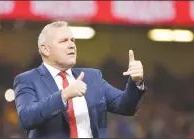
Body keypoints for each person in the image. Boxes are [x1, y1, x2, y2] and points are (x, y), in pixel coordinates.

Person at [13, 21, 147, 138]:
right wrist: (63, 95)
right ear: (45, 49)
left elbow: (126, 107)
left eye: (73, 40)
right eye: (64, 41)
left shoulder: (93, 77)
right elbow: (26, 118)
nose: (71, 45)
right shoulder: (27, 80)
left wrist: (136, 82)